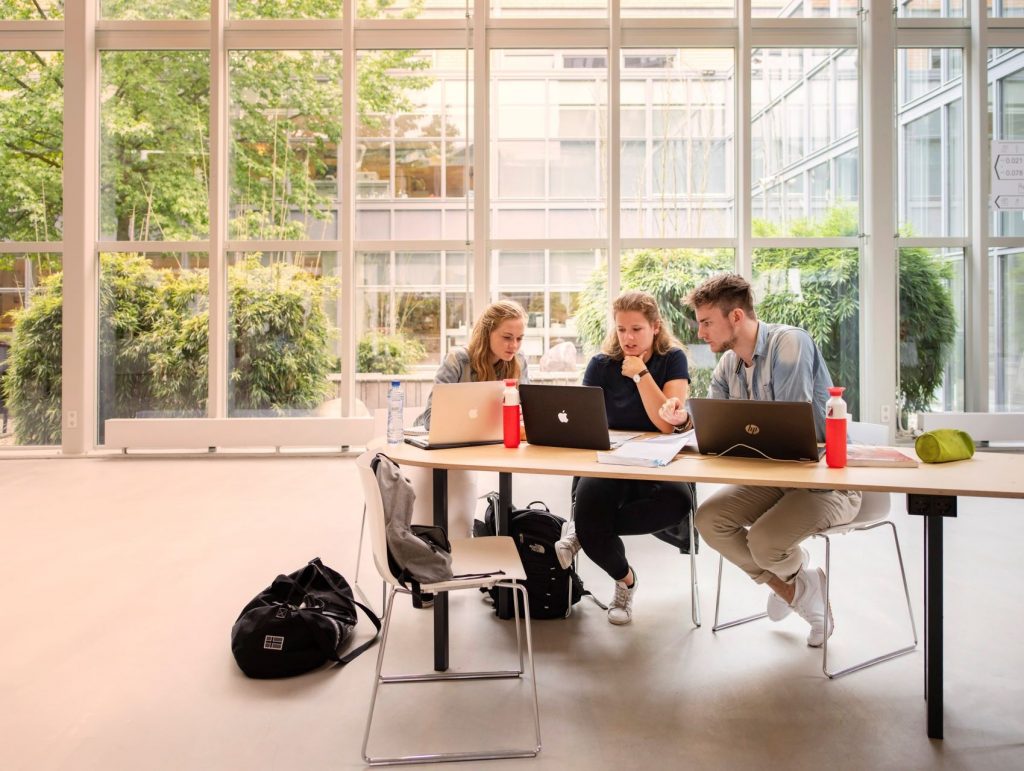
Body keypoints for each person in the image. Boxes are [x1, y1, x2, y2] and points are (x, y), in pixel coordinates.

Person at [659, 273, 861, 647]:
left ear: (736, 317)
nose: (700, 332)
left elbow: (787, 427)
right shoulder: (727, 367)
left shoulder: (790, 344)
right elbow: (715, 427)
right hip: (773, 481)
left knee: (765, 542)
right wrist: (685, 418)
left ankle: (796, 587)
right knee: (709, 519)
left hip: (825, 483)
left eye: (707, 322)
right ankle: (798, 588)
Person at [555, 291, 693, 625]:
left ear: (655, 327)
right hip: (612, 461)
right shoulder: (601, 365)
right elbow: (584, 418)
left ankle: (582, 532)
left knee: (677, 503)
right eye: (621, 330)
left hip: (659, 463)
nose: (628, 338)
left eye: (636, 329)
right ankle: (625, 581)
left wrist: (641, 374)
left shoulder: (673, 359)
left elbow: (666, 422)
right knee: (592, 515)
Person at [407, 299, 529, 539]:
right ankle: (445, 554)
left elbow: (527, 413)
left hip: (486, 449)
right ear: (487, 333)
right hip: (441, 454)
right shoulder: (458, 361)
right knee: (450, 522)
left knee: (462, 522)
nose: (514, 345)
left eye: (519, 338)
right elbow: (432, 419)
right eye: (507, 337)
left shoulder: (519, 362)